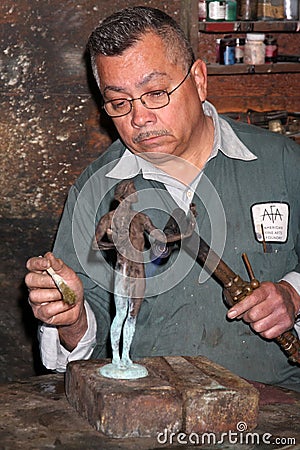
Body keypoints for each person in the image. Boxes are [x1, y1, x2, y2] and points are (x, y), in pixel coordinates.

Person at [25, 6, 300, 390]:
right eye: (120, 103)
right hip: (153, 414)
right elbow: (85, 342)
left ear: (200, 80)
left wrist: (292, 293)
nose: (139, 119)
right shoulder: (96, 190)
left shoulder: (284, 163)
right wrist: (71, 320)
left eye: (155, 93)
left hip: (276, 413)